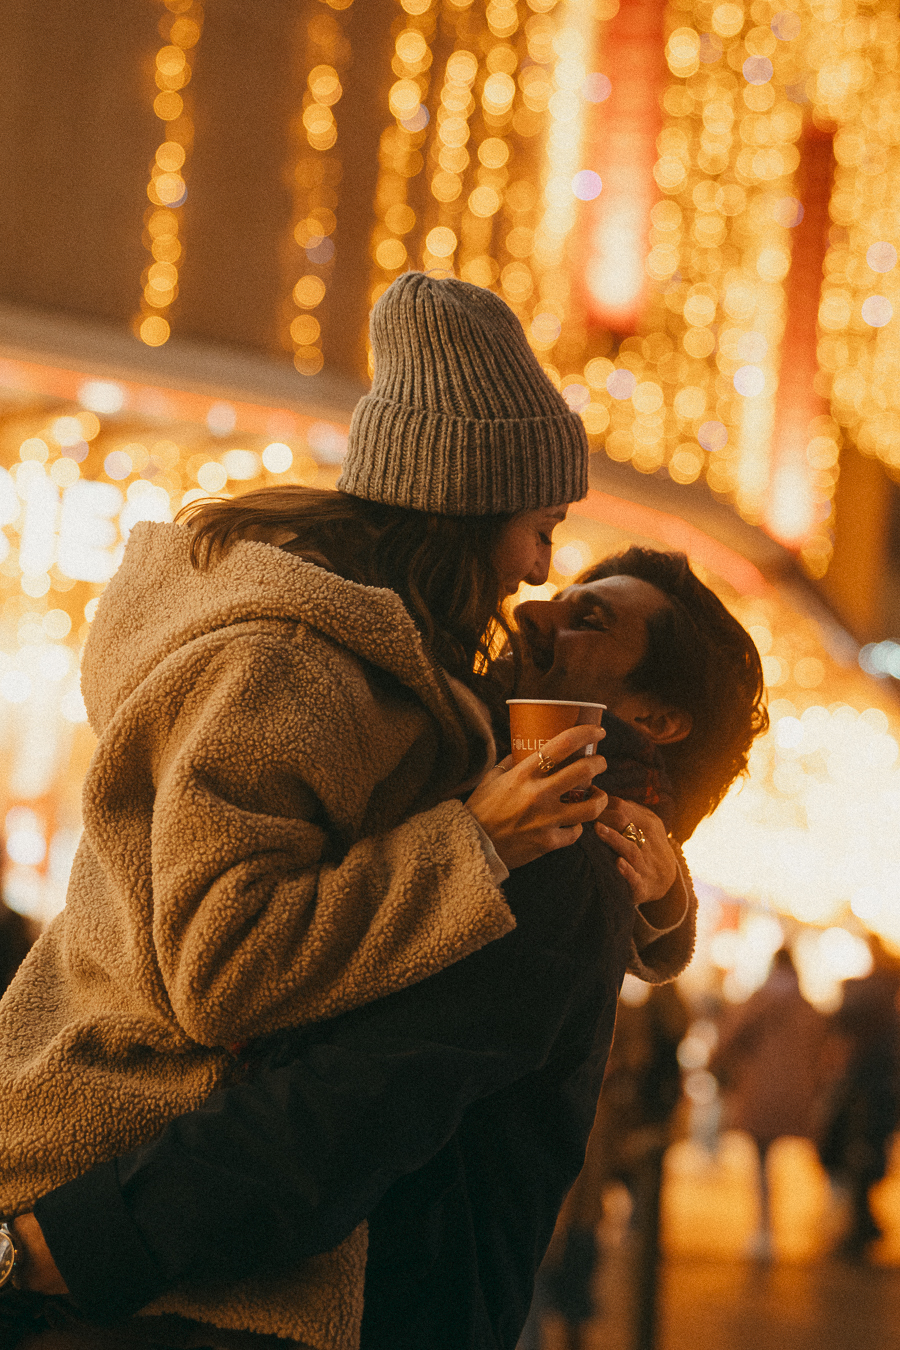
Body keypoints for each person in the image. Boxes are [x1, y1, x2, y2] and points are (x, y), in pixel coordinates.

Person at [0, 272, 615, 1349]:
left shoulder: (371, 664)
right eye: (541, 525)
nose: (541, 567)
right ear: (472, 504)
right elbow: (223, 964)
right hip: (120, 1198)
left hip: (170, 1227)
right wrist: (471, 846)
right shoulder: (293, 663)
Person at [6, 549, 767, 1350]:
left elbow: (354, 1105)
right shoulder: (513, 801)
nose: (535, 611)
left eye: (591, 620)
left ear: (656, 720)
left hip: (365, 1310)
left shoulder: (561, 845)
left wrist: (76, 1243)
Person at [709, 946, 830, 1262]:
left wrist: (716, 1064)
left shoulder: (759, 1001)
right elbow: (824, 1050)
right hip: (798, 1093)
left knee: (761, 1160)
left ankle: (765, 1230)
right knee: (808, 1154)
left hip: (759, 1091)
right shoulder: (808, 1008)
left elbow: (729, 1038)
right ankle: (828, 1210)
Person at [817, 936, 900, 1260]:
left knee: (857, 1156)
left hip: (867, 1092)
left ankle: (862, 1226)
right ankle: (864, 1224)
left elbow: (843, 1015)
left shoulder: (873, 1002)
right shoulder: (887, 1009)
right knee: (862, 1157)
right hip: (877, 1092)